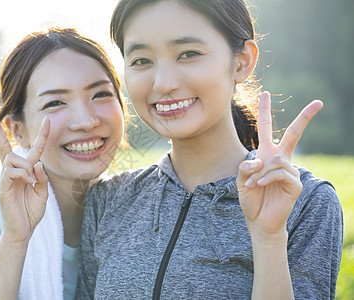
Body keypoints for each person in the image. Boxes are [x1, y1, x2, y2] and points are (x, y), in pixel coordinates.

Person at [76, 0, 343, 299]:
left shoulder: (305, 200)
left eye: (188, 54)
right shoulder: (108, 199)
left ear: (242, 62)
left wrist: (268, 240)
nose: (163, 83)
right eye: (141, 61)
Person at [0, 27, 125, 299]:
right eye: (55, 102)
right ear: (17, 129)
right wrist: (14, 240)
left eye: (100, 94)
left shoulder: (126, 203)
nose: (87, 121)